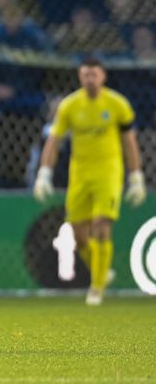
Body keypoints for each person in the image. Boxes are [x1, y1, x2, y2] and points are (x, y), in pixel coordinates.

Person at [33, 58, 146, 306]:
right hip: (80, 173)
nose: (90, 79)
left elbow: (129, 141)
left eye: (94, 75)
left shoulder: (117, 104)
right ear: (79, 77)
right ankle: (101, 270)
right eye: (86, 75)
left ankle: (96, 287)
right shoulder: (69, 106)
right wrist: (44, 173)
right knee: (78, 235)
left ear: (103, 76)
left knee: (101, 226)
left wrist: (136, 176)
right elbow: (54, 140)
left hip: (108, 171)